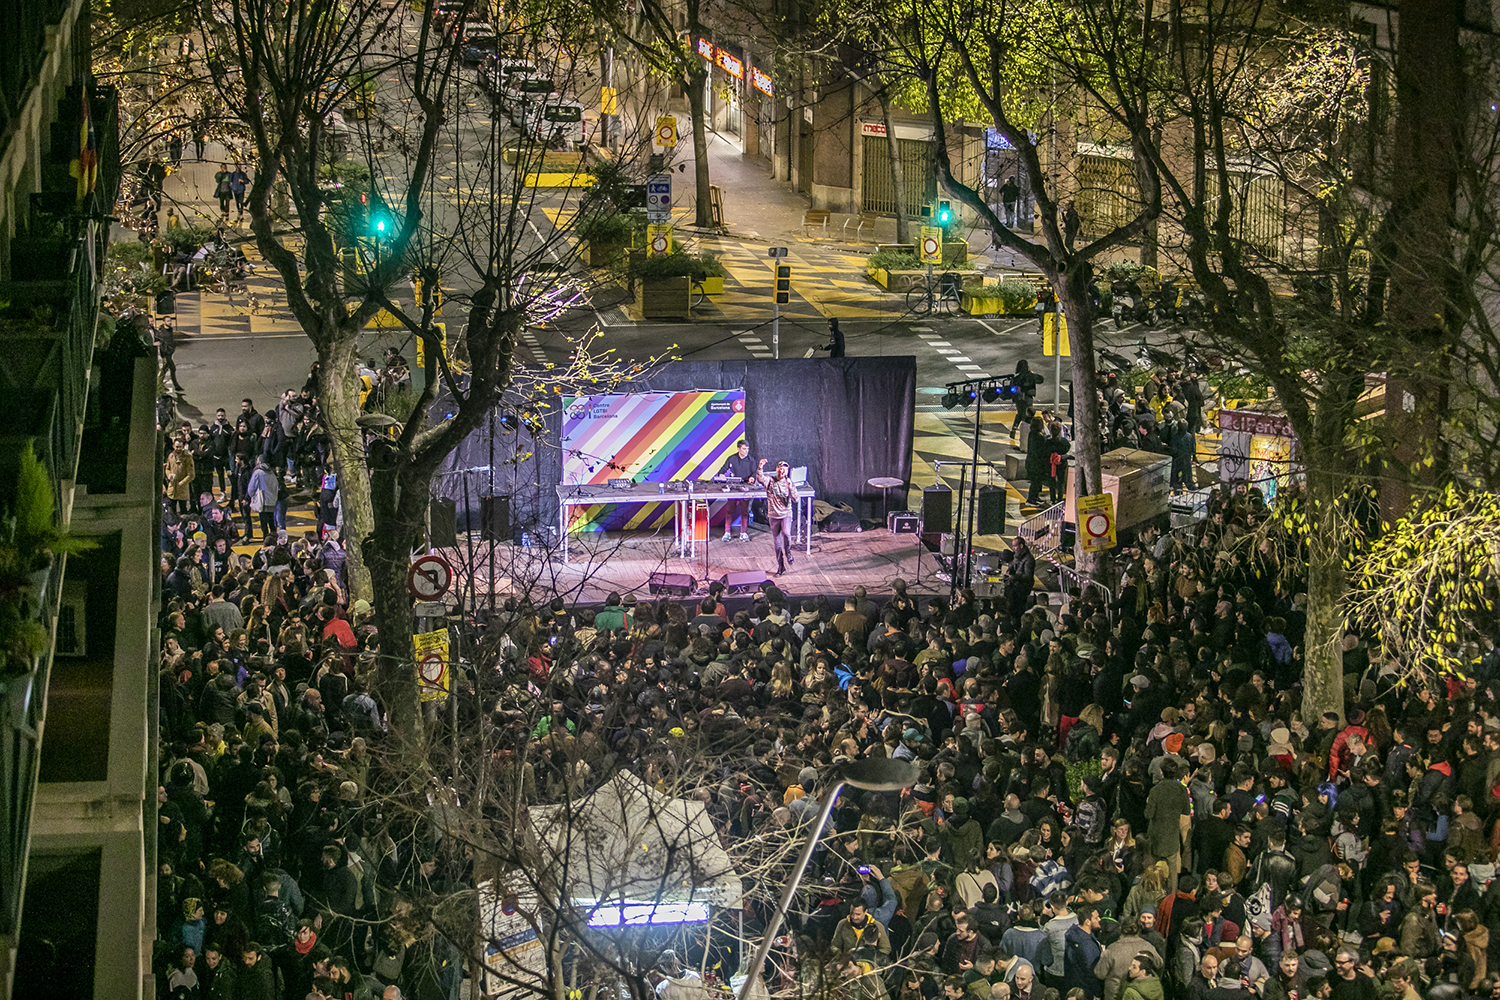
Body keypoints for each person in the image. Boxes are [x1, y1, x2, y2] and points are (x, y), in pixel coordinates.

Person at [756, 458, 799, 576]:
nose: (782, 471)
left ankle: (788, 552)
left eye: (785, 469)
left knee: (786, 533)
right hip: (774, 514)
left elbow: (796, 499)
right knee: (777, 542)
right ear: (776, 470)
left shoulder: (789, 482)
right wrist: (760, 467)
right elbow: (760, 478)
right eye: (780, 469)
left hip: (786, 514)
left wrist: (790, 488)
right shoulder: (770, 481)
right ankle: (781, 566)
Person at [718, 439, 756, 541]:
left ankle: (743, 533)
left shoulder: (751, 460)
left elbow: (754, 473)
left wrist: (752, 478)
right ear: (738, 449)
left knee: (744, 511)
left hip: (745, 487)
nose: (746, 451)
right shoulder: (732, 459)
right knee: (730, 510)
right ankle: (727, 532)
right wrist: (721, 475)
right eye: (744, 449)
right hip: (733, 487)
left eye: (747, 449)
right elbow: (722, 470)